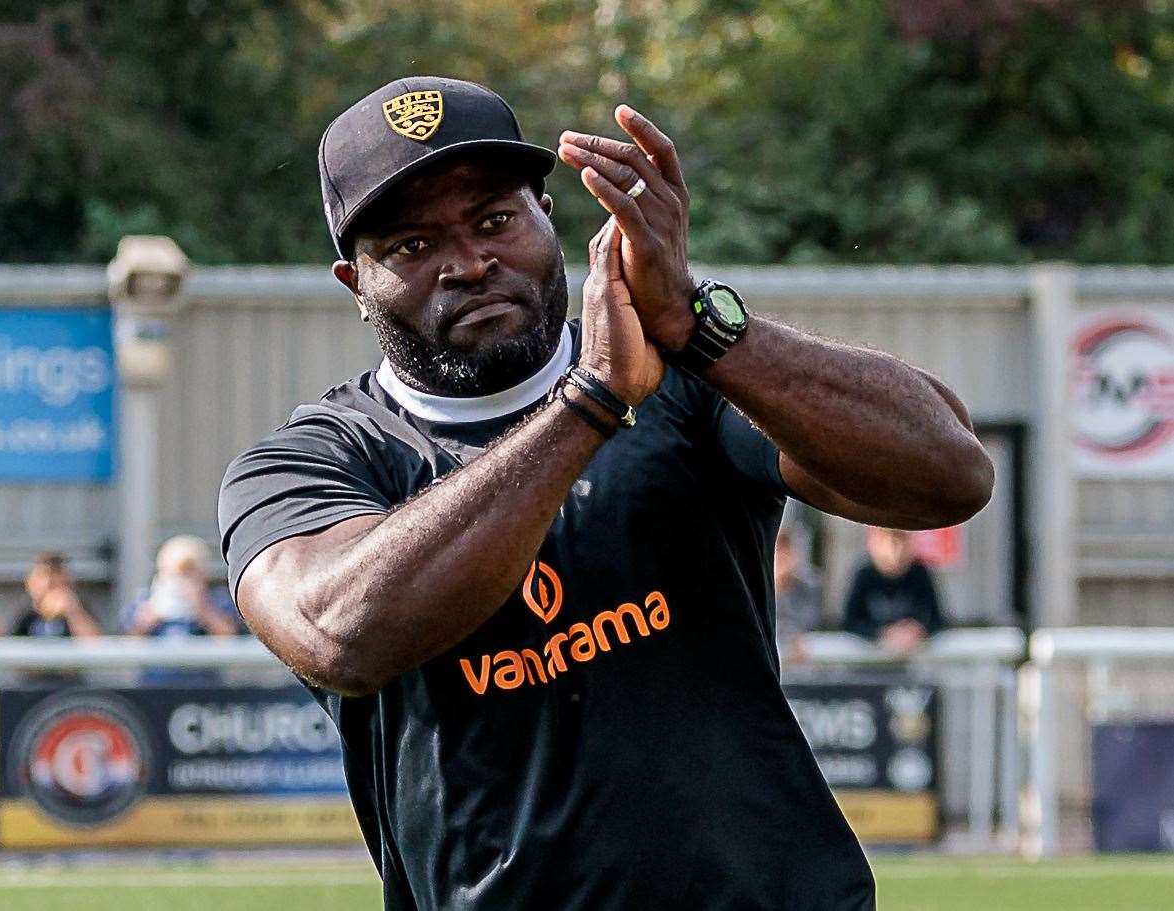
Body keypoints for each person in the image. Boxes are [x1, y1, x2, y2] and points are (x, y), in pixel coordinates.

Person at [219, 77, 993, 910]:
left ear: (550, 218)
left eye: (495, 220)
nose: (470, 262)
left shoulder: (685, 380)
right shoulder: (311, 462)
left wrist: (698, 322)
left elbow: (948, 474)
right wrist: (589, 402)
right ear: (353, 283)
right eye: (411, 246)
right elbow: (340, 636)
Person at [843, 526, 945, 652]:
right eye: (887, 543)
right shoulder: (864, 574)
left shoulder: (919, 573)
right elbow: (849, 622)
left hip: (911, 657)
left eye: (901, 542)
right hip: (870, 659)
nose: (895, 552)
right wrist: (882, 633)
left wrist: (918, 630)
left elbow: (938, 620)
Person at [123, 535, 239, 639]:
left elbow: (229, 637)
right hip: (159, 662)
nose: (180, 583)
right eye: (173, 575)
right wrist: (148, 617)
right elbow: (126, 644)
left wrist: (202, 609)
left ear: (203, 575)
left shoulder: (217, 600)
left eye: (188, 575)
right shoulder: (144, 601)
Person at [10, 552, 101, 639]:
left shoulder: (79, 610)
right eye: (42, 576)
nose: (48, 582)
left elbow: (96, 645)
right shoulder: (26, 615)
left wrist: (72, 612)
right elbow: (10, 646)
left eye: (56, 576)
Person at [774, 525, 822, 664]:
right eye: (778, 553)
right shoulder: (762, 586)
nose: (783, 559)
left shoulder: (810, 584)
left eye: (786, 552)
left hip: (806, 649)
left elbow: (811, 620)